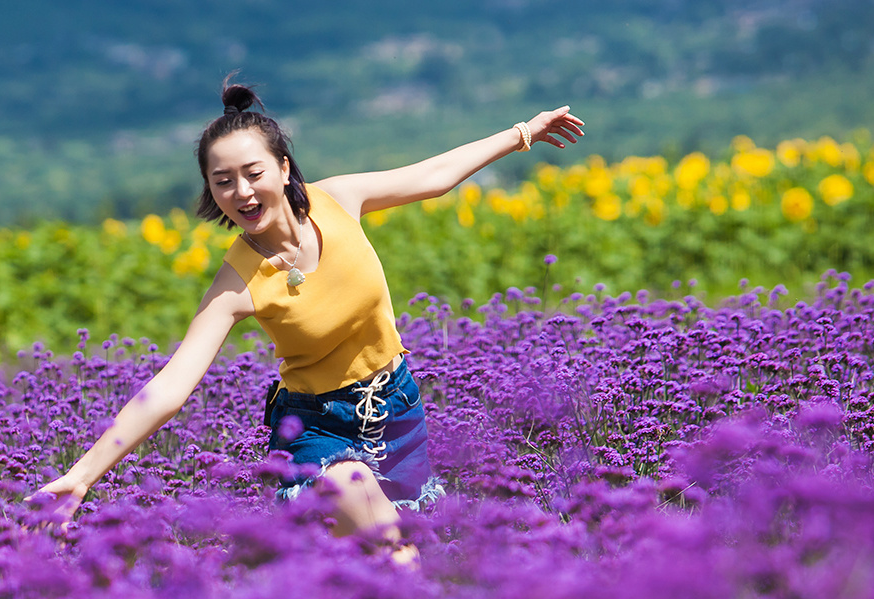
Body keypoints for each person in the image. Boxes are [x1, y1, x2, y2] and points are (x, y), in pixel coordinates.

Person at [31, 76, 583, 564]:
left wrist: (525, 132)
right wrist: (81, 476)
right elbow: (171, 386)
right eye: (223, 181)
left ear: (283, 168)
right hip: (317, 429)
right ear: (211, 191)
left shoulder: (338, 200)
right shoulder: (237, 283)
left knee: (395, 556)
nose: (242, 192)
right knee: (391, 548)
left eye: (253, 173)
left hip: (399, 413)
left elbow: (435, 175)